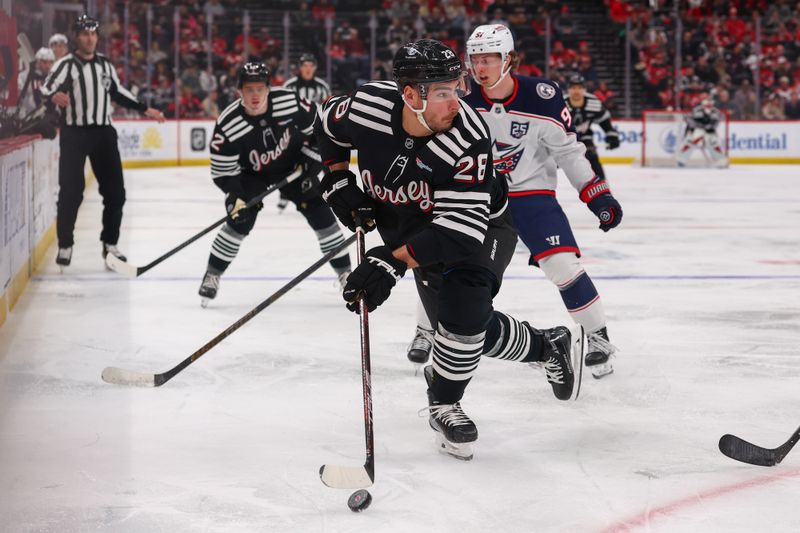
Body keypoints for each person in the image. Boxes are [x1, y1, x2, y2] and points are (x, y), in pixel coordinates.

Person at [315, 39, 584, 461]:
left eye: (457, 88)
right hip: (411, 222)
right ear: (410, 95)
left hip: (479, 224)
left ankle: (443, 402)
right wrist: (336, 180)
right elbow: (326, 127)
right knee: (462, 325)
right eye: (442, 93)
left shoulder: (468, 136)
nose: (456, 101)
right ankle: (545, 345)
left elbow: (459, 232)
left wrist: (392, 261)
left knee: (461, 316)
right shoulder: (367, 106)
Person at [450, 24, 621, 379]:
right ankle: (426, 330)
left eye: (488, 59)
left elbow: (569, 151)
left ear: (508, 59)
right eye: (475, 59)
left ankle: (598, 337)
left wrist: (596, 193)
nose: (480, 68)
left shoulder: (541, 96)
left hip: (532, 196)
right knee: (449, 265)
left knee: (562, 266)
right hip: (482, 200)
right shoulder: (462, 102)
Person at [198, 62, 351, 306]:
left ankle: (345, 273)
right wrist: (236, 196)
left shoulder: (289, 101)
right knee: (239, 219)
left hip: (295, 166)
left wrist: (312, 164)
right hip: (253, 175)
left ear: (269, 88)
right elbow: (222, 172)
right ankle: (212, 274)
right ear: (239, 91)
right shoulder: (228, 124)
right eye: (249, 89)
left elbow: (321, 129)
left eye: (260, 88)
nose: (255, 95)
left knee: (322, 215)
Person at [40, 14, 165, 271]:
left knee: (116, 193)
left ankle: (110, 244)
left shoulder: (105, 65)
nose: (90, 38)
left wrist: (144, 109)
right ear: (77, 36)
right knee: (70, 193)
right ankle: (66, 244)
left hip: (103, 133)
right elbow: (45, 86)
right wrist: (54, 96)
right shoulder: (66, 65)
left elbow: (118, 92)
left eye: (93, 34)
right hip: (74, 134)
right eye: (85, 34)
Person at [278, 53, 333, 213]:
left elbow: (328, 109)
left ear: (314, 68)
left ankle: (329, 193)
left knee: (325, 163)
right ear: (300, 68)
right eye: (305, 66)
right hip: (294, 133)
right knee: (289, 163)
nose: (308, 69)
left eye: (311, 66)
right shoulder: (289, 85)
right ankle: (286, 193)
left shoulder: (322, 86)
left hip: (316, 134)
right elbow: (281, 109)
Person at [564, 74, 620, 181]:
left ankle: (602, 188)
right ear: (568, 89)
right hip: (563, 138)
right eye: (573, 88)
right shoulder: (560, 102)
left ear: (584, 89)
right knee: (550, 162)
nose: (576, 91)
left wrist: (611, 135)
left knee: (593, 158)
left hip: (585, 137)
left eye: (580, 88)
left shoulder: (593, 102)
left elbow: (604, 121)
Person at [676, 98, 727, 168]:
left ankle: (721, 161)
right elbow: (688, 119)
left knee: (714, 143)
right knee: (690, 141)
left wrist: (711, 126)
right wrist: (698, 125)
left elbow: (719, 120)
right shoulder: (697, 110)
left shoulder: (716, 112)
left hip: (710, 132)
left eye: (710, 105)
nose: (708, 107)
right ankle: (681, 159)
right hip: (698, 130)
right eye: (707, 106)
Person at [17, 47, 54, 117]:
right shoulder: (24, 77)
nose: (48, 65)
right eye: (45, 62)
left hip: (49, 117)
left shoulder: (53, 78)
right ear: (38, 61)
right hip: (29, 118)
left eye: (51, 62)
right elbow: (20, 97)